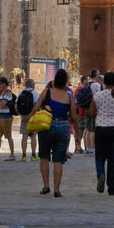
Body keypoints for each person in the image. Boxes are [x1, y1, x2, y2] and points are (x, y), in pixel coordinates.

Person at [30, 69, 79, 197]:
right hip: (63, 126)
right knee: (58, 159)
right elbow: (74, 117)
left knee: (44, 156)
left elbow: (36, 107)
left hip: (47, 125)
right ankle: (57, 189)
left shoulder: (47, 92)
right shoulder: (69, 96)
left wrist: (30, 121)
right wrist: (78, 134)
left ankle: (46, 186)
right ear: (66, 83)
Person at [90, 71, 114, 194]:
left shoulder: (98, 95)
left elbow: (91, 113)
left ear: (104, 82)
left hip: (101, 127)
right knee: (113, 158)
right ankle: (111, 187)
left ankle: (100, 173)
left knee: (100, 155)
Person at [0, 76, 17, 160]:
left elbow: (2, 104)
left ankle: (12, 154)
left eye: (0, 84)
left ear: (4, 84)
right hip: (1, 117)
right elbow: (0, 104)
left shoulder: (8, 93)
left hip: (6, 118)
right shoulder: (3, 93)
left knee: (8, 136)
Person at [16, 77, 39, 160]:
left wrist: (21, 115)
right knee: (33, 136)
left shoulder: (21, 93)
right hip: (33, 117)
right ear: (33, 85)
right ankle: (33, 155)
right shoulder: (36, 94)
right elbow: (37, 107)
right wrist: (30, 116)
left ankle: (24, 156)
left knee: (24, 136)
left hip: (23, 117)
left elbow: (16, 105)